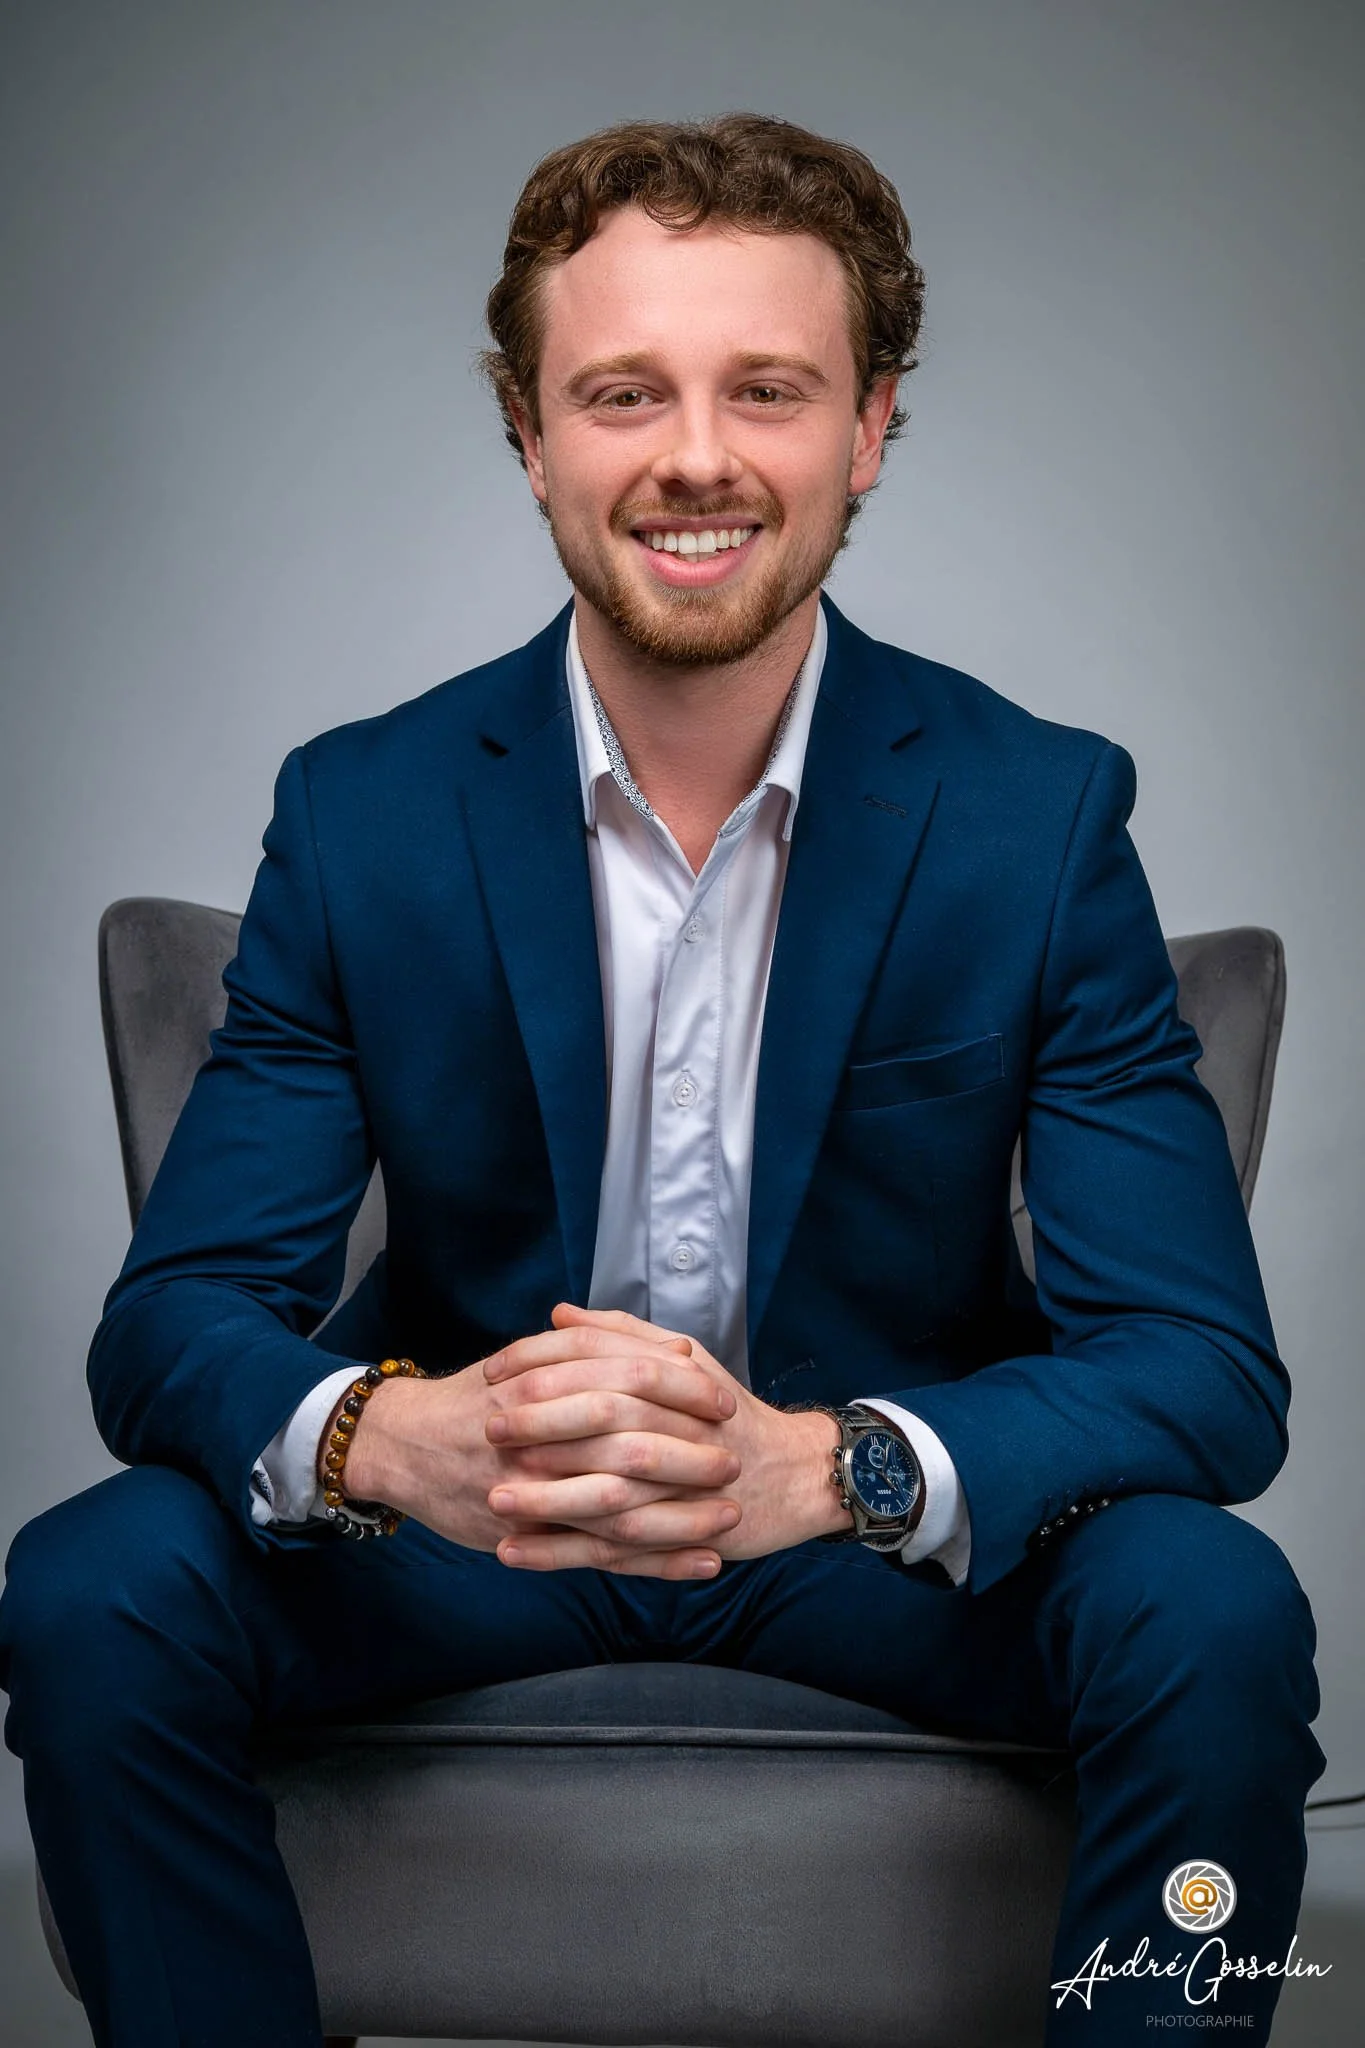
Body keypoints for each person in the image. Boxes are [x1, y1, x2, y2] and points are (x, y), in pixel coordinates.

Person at [0, 112, 1324, 2046]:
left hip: (873, 1552)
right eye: (623, 391)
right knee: (91, 1584)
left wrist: (837, 1467)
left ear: (869, 428)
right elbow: (172, 1328)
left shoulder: (1037, 815)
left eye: (766, 390)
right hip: (471, 1538)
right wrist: (394, 1440)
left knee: (1213, 1612)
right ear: (532, 436)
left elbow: (1208, 1375)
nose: (695, 455)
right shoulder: (362, 813)